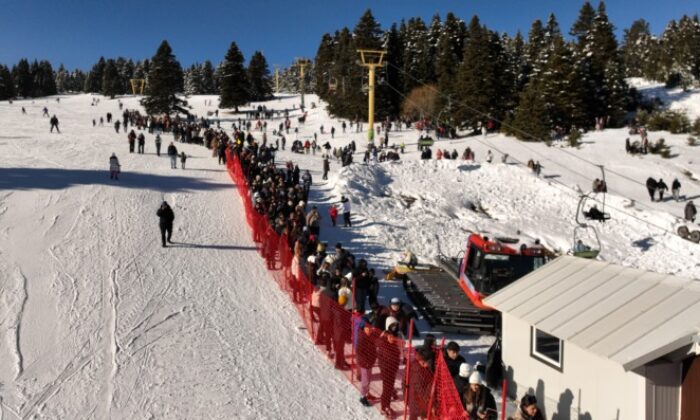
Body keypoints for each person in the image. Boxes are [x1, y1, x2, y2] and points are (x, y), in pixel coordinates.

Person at [377, 318, 402, 417]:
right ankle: (384, 407)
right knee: (386, 387)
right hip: (386, 368)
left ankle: (389, 397)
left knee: (389, 385)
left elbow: (401, 346)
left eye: (396, 325)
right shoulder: (383, 339)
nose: (395, 327)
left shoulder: (397, 335)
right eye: (392, 325)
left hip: (393, 367)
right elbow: (381, 346)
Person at [356, 319, 378, 407]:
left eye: (370, 328)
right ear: (363, 329)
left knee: (369, 379)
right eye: (367, 328)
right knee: (365, 381)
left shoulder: (370, 336)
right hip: (365, 363)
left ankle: (367, 393)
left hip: (370, 361)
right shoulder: (362, 338)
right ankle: (362, 397)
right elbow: (359, 352)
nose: (369, 330)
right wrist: (366, 362)